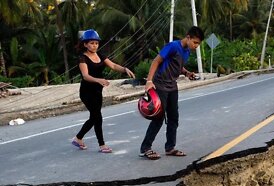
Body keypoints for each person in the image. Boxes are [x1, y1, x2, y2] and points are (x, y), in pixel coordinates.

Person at [139, 26, 204, 160]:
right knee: (159, 118)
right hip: (160, 84)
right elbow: (156, 61)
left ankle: (170, 148)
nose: (196, 46)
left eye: (198, 43)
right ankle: (145, 148)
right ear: (188, 37)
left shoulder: (187, 51)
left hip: (172, 86)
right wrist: (149, 81)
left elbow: (178, 65)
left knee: (173, 118)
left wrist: (186, 73)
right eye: (195, 42)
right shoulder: (173, 46)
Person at [72, 29, 135, 153]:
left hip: (97, 91)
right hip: (86, 92)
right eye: (91, 43)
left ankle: (78, 138)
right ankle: (102, 145)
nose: (94, 45)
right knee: (97, 117)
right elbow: (85, 76)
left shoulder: (99, 55)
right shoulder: (82, 58)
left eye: (96, 43)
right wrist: (99, 80)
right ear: (85, 44)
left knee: (94, 117)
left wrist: (124, 69)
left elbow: (113, 65)